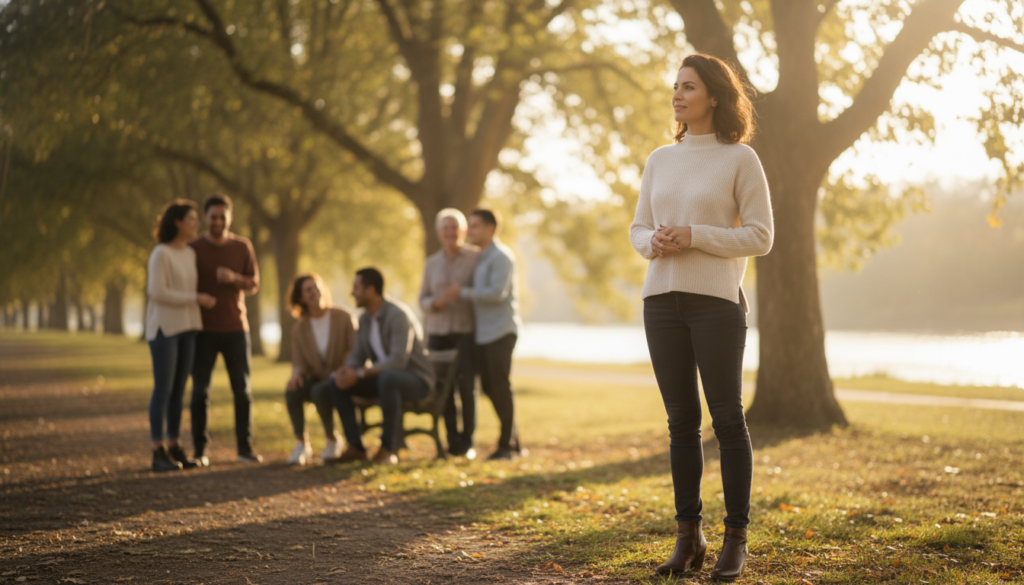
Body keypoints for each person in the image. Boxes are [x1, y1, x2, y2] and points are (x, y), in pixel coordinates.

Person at [629, 53, 773, 581]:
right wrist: (655, 242)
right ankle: (688, 536)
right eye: (675, 87)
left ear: (714, 96)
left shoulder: (741, 160)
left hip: (716, 303)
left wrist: (695, 235)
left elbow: (760, 235)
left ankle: (737, 536)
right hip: (661, 301)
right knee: (680, 424)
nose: (677, 94)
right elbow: (638, 227)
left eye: (688, 87)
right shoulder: (660, 159)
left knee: (728, 420)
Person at [330, 268, 435, 465]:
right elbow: (358, 355)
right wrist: (346, 371)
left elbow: (398, 361)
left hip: (416, 380)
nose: (352, 293)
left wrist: (360, 373)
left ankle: (388, 449)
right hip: (385, 380)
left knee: (389, 379)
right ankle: (356, 447)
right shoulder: (364, 319)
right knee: (337, 383)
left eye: (356, 288)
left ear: (370, 290)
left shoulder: (398, 315)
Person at [441, 209, 523, 461]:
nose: (470, 231)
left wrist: (462, 292)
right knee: (489, 387)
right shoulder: (481, 257)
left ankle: (506, 447)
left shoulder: (501, 257)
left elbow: (496, 293)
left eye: (475, 226)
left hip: (501, 331)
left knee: (500, 386)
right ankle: (513, 441)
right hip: (485, 334)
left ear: (490, 228)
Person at [188, 195, 262, 465]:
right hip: (202, 331)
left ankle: (244, 448)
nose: (218, 221)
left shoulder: (243, 246)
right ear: (205, 218)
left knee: (242, 391)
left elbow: (254, 283)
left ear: (230, 218)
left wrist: (234, 279)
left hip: (235, 329)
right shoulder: (192, 248)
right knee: (200, 392)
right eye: (213, 217)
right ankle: (200, 451)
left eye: (223, 217)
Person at [145, 199, 217, 472]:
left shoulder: (190, 253)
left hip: (189, 328)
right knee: (163, 389)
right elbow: (157, 292)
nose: (196, 224)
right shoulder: (161, 253)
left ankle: (174, 446)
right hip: (165, 329)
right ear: (177, 222)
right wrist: (195, 298)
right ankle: (157, 450)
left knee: (179, 391)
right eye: (191, 219)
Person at [419, 208, 479, 458]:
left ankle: (467, 442)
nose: (450, 232)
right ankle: (450, 439)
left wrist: (461, 294)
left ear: (463, 231)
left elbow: (482, 292)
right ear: (439, 233)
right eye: (445, 228)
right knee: (444, 388)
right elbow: (421, 299)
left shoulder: (476, 258)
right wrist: (434, 303)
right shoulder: (432, 263)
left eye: (454, 227)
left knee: (466, 388)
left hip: (465, 331)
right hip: (438, 332)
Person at [284, 273, 357, 464]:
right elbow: (299, 361)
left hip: (342, 375)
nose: (314, 292)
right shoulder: (300, 329)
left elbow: (354, 348)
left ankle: (332, 439)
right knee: (292, 390)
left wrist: (343, 370)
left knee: (319, 391)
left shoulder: (343, 316)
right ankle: (301, 444)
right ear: (301, 298)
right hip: (318, 376)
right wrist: (296, 374)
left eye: (317, 287)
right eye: (308, 290)